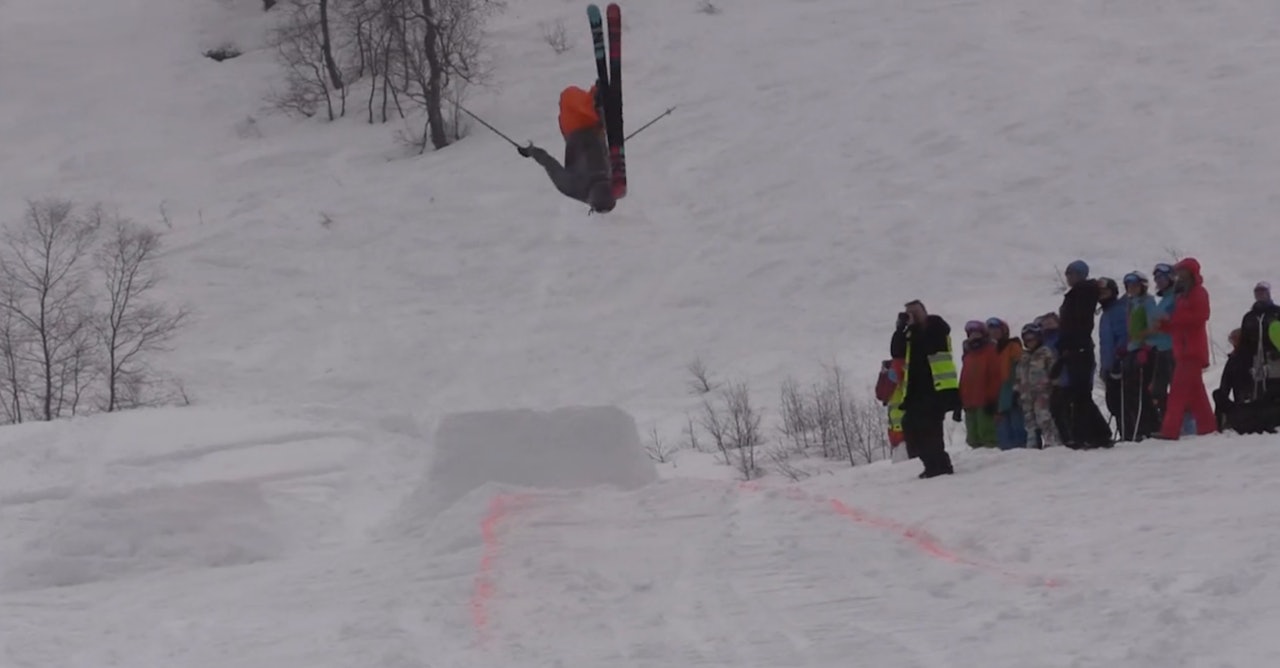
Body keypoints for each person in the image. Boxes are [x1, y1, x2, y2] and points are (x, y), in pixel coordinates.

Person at [518, 83, 616, 213]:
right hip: (589, 130)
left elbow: (550, 163)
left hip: (582, 129)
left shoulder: (571, 187)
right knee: (572, 100)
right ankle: (597, 100)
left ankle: (596, 100)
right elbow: (549, 163)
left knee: (569, 96)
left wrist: (531, 151)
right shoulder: (574, 187)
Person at [890, 300, 960, 478]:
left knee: (931, 429)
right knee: (911, 426)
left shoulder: (936, 326)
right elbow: (896, 352)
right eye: (908, 312)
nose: (912, 315)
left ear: (924, 311)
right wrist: (900, 329)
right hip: (914, 391)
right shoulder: (909, 334)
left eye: (915, 311)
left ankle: (941, 465)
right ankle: (930, 464)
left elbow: (933, 343)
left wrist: (917, 326)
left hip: (935, 387)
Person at [1053, 260, 1112, 448]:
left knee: (1080, 394)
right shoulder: (1077, 294)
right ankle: (1098, 433)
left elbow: (1077, 323)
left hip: (1079, 348)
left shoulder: (1083, 292)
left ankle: (1085, 435)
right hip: (1075, 348)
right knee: (1080, 394)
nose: (1068, 277)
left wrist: (1069, 344)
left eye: (1071, 273)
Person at [1155, 257, 1216, 439]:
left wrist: (1172, 321)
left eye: (1182, 271)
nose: (1179, 275)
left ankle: (1170, 430)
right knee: (1196, 394)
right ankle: (1208, 427)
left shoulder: (1198, 292)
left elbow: (1201, 316)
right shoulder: (1182, 295)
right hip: (1183, 350)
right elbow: (1179, 325)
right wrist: (1165, 325)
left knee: (1177, 392)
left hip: (1192, 350)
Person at [1119, 271, 1163, 440]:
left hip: (1145, 349)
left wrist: (1146, 345)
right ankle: (1138, 427)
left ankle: (1150, 426)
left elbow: (1154, 326)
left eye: (1135, 285)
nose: (1131, 288)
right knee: (1130, 390)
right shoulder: (1132, 303)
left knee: (1141, 390)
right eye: (1129, 285)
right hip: (1133, 349)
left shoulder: (1148, 302)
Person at [1015, 323, 1059, 448]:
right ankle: (1032, 442)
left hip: (1043, 393)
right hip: (1026, 394)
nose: (1030, 342)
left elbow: (1054, 371)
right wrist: (1017, 390)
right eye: (1027, 340)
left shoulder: (1045, 353)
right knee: (1029, 419)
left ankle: (1051, 440)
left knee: (1044, 417)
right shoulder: (1023, 357)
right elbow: (1018, 375)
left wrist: (1055, 387)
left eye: (1032, 339)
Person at [958, 320, 1001, 448]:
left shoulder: (990, 351)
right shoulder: (968, 355)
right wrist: (959, 401)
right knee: (972, 436)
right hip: (969, 401)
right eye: (971, 334)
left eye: (977, 334)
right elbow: (964, 379)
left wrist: (992, 399)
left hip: (985, 401)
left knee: (986, 433)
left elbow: (995, 377)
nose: (974, 337)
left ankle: (991, 454)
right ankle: (978, 456)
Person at [986, 317, 1027, 449]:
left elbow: (1021, 368)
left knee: (1017, 425)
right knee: (1003, 430)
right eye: (990, 330)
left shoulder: (1012, 346)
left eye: (996, 329)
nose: (993, 333)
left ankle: (1022, 451)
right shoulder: (992, 351)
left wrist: (1017, 389)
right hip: (1000, 394)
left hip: (1012, 390)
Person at [1238, 281, 1280, 400]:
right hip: (1256, 359)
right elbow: (1244, 341)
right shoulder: (1249, 317)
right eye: (1257, 292)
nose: (1260, 295)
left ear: (1268, 293)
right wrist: (1243, 358)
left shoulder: (1277, 313)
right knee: (1259, 391)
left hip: (1275, 357)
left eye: (1263, 292)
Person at [1096, 276, 1128, 430]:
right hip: (1110, 365)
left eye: (1105, 292)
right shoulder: (1106, 313)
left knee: (1122, 401)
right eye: (1099, 293)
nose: (1102, 296)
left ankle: (1130, 432)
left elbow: (1124, 336)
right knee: (1113, 403)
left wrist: (1119, 359)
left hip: (1120, 364)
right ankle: (1124, 431)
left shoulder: (1119, 310)